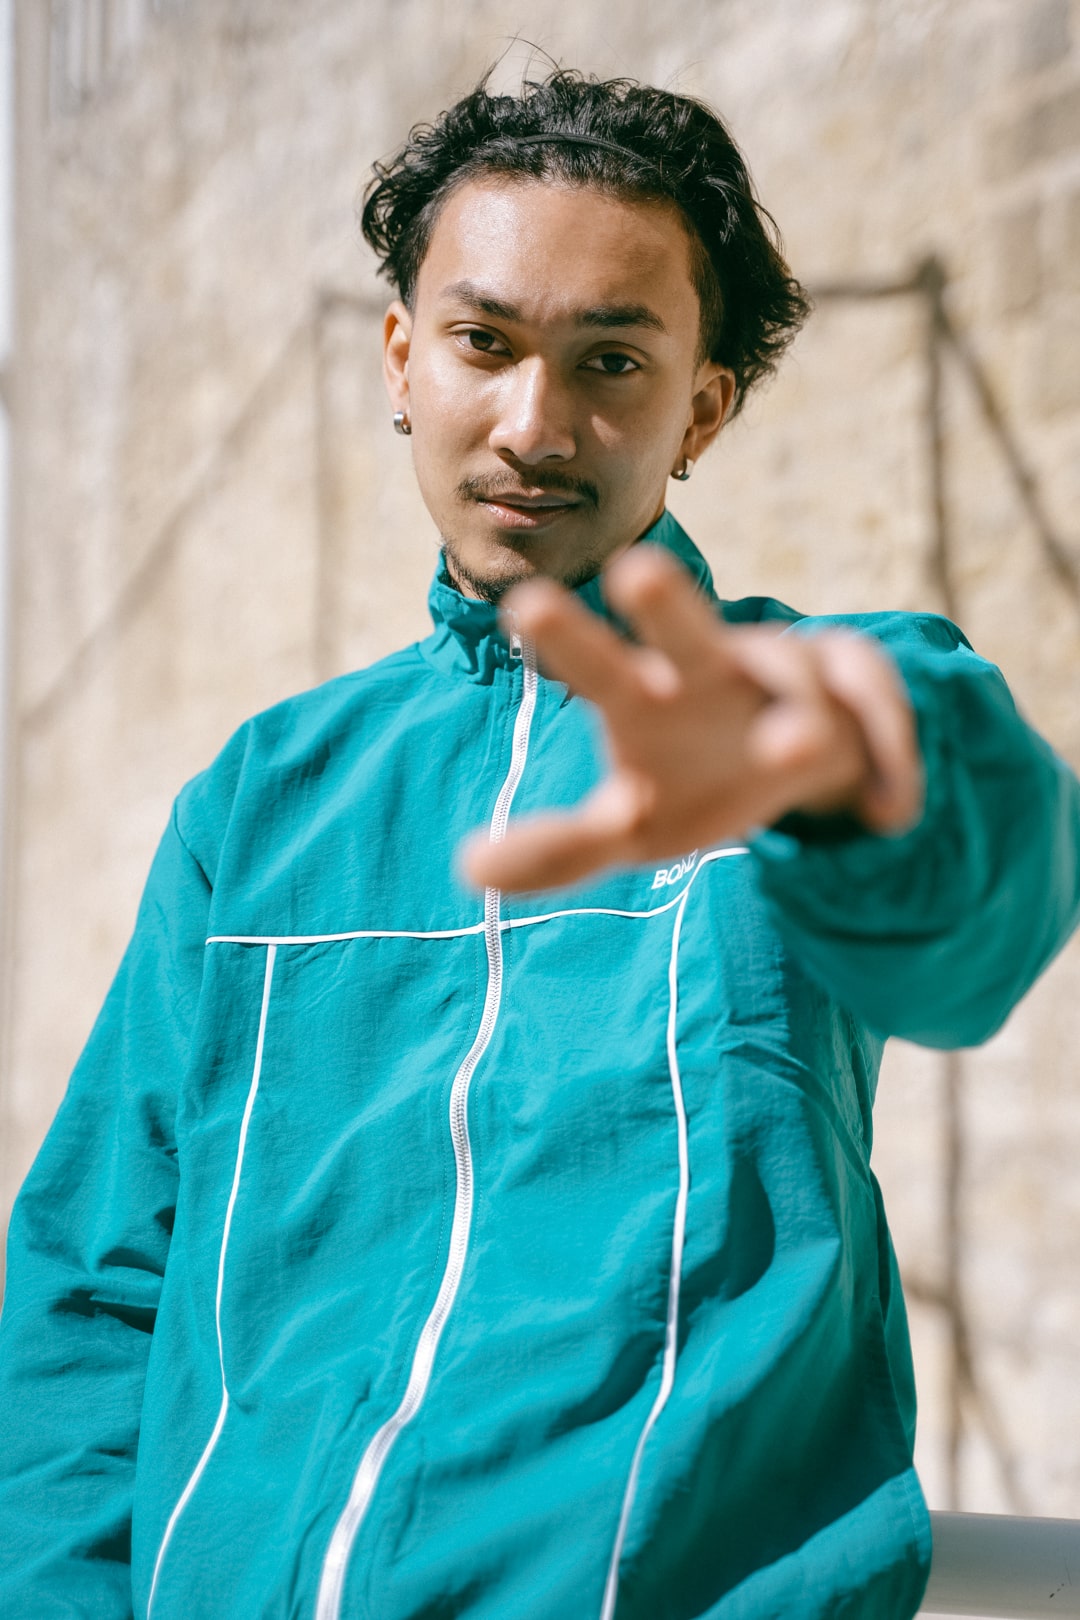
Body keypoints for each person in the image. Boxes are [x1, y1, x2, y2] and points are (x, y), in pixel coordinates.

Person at [1, 65, 1078, 1620]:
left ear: (700, 407)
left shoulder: (804, 704)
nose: (535, 424)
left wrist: (844, 770)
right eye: (485, 342)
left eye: (612, 362)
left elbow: (983, 908)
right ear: (403, 358)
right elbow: (93, 1298)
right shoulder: (258, 798)